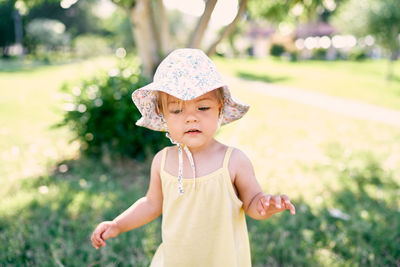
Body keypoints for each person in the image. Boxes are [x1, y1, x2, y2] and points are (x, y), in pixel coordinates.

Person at [91, 48, 296, 266]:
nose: (191, 118)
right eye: (177, 111)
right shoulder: (163, 161)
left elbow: (253, 203)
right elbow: (151, 204)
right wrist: (118, 224)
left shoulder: (233, 161)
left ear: (220, 109)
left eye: (203, 107)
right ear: (162, 115)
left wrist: (266, 205)